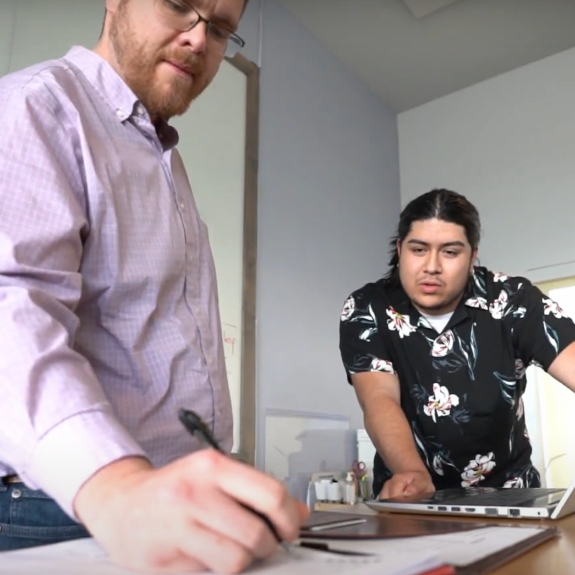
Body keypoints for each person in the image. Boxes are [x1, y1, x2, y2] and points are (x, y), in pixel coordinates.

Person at [0, 0, 306, 572]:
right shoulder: (38, 105)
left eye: (220, 30)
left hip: (169, 502)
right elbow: (9, 313)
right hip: (64, 507)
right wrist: (118, 489)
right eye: (177, 6)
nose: (198, 39)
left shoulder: (163, 158)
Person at [339, 188, 575, 501]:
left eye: (450, 252)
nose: (432, 267)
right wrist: (412, 474)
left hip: (512, 498)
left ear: (472, 255)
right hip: (414, 497)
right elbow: (379, 398)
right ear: (400, 248)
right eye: (418, 250)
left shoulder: (513, 300)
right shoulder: (367, 308)